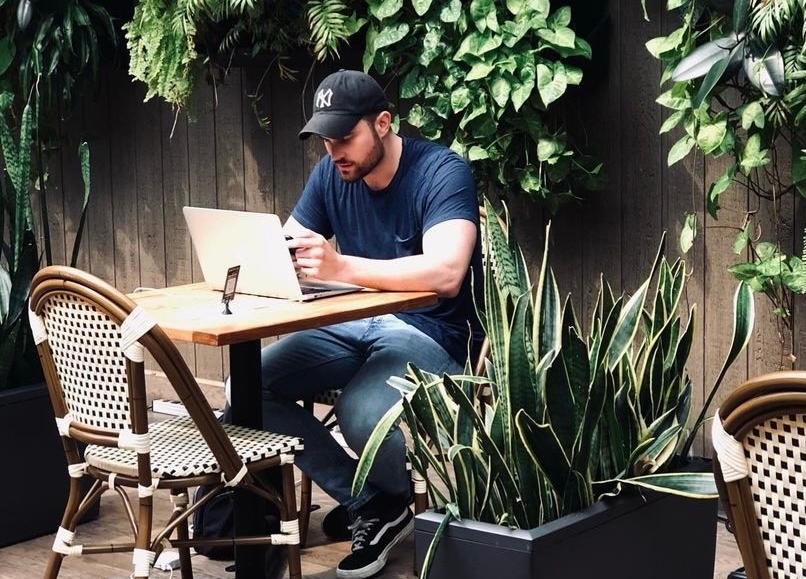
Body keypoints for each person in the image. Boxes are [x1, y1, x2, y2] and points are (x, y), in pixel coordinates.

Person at [262, 69, 484, 579]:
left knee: (360, 415)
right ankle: (374, 502)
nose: (333, 150)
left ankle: (381, 502)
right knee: (248, 387)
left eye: (345, 137)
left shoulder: (442, 172)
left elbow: (447, 272)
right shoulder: (332, 173)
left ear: (383, 123)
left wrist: (341, 268)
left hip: (432, 334)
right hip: (352, 323)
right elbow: (288, 249)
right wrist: (264, 261)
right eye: (325, 139)